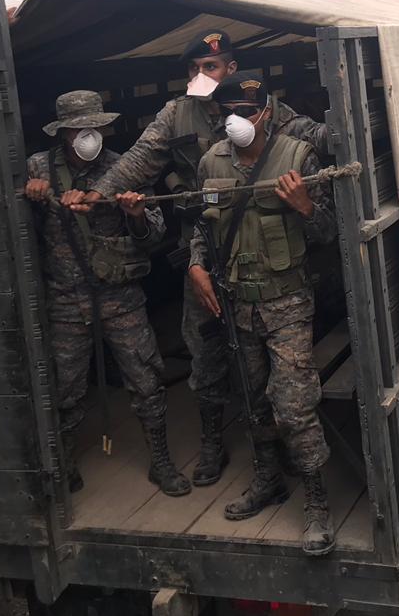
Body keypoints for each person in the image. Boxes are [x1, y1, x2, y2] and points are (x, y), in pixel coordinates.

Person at [60, 30, 330, 489]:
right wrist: (98, 194)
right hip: (205, 248)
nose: (199, 76)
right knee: (204, 349)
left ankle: (283, 451)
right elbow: (140, 158)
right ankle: (211, 443)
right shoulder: (176, 113)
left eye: (210, 67)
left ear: (230, 68)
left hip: (268, 251)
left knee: (270, 367)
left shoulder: (265, 108)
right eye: (192, 69)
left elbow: (319, 141)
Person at [187, 74, 337, 556]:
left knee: (293, 405)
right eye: (226, 111)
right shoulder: (211, 162)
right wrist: (196, 265)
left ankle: (317, 503)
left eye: (245, 112)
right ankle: (268, 479)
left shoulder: (298, 157)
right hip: (236, 302)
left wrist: (306, 206)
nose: (234, 120)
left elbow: (331, 233)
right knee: (252, 401)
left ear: (266, 113)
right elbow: (203, 225)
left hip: (286, 300)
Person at [25, 91, 190, 498]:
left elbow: (154, 237)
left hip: (119, 294)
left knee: (147, 379)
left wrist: (135, 213)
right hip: (65, 297)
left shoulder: (124, 168)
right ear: (63, 133)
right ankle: (64, 462)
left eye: (96, 128)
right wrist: (33, 195)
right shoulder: (38, 168)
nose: (89, 136)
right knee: (65, 387)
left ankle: (161, 461)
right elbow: (20, 233)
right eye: (80, 129)